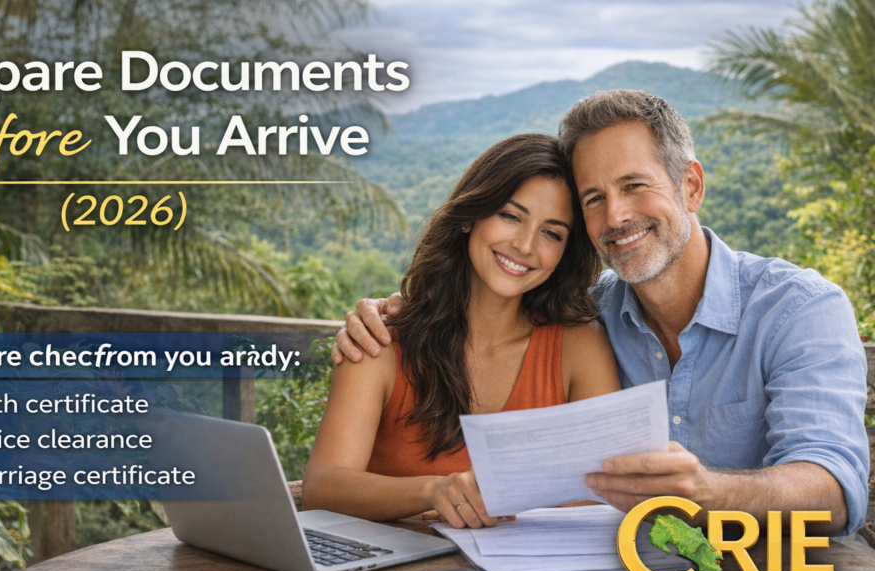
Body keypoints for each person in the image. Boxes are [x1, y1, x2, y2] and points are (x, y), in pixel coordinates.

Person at [333, 90, 870, 537]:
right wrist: (392, 310)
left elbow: (835, 488)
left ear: (691, 186)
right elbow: (496, 296)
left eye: (635, 185)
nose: (616, 215)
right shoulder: (588, 313)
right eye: (593, 198)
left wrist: (709, 492)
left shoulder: (799, 310)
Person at [301, 134, 622, 529]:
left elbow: (606, 493)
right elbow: (323, 486)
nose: (524, 245)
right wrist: (435, 491)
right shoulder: (380, 339)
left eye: (551, 233)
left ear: (564, 252)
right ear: (471, 215)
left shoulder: (580, 346)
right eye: (510, 215)